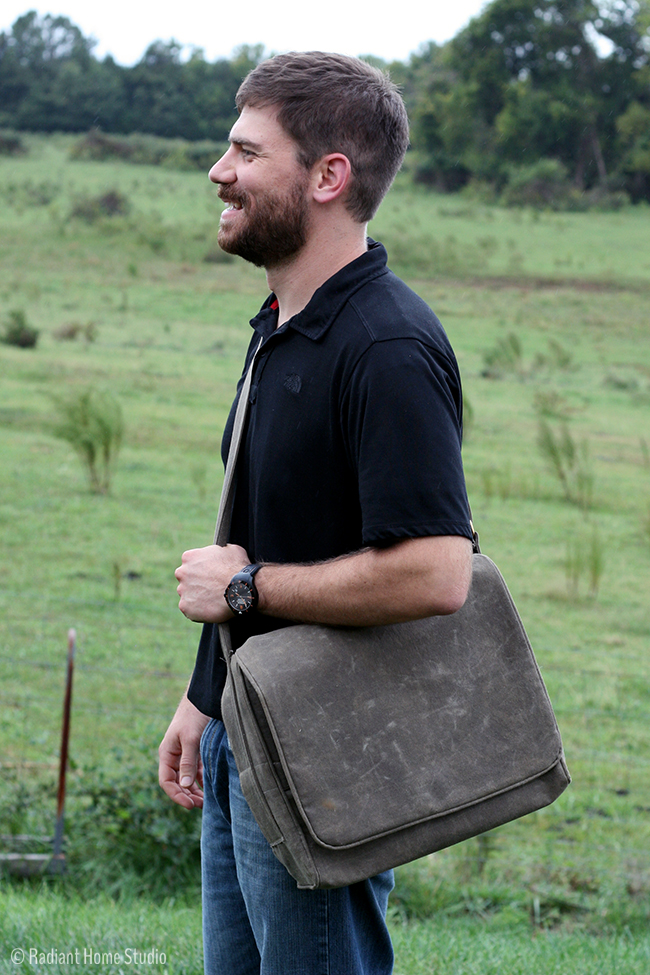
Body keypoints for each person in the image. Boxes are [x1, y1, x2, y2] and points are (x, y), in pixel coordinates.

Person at [159, 51, 474, 975]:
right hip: (242, 736)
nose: (220, 171)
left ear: (328, 176)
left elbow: (436, 569)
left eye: (247, 151)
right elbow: (260, 525)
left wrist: (249, 587)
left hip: (322, 757)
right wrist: (202, 698)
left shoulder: (386, 346)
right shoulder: (283, 325)